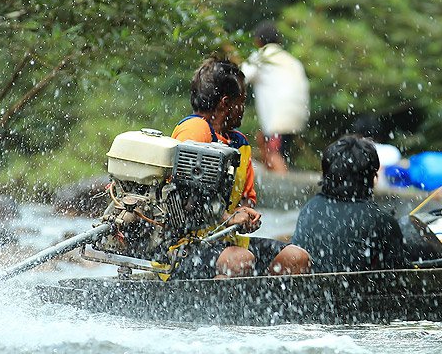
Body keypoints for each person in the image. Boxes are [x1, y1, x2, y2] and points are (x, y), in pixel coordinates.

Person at [171, 57, 310, 277]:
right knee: (239, 260)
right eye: (241, 101)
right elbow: (182, 203)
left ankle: (269, 309)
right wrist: (226, 217)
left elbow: (245, 201)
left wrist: (245, 214)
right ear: (225, 103)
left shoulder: (239, 144)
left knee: (296, 258)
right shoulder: (195, 131)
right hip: (184, 249)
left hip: (229, 245)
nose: (243, 109)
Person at [292, 135, 408, 273]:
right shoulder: (382, 221)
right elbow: (399, 276)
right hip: (355, 293)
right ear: (372, 177)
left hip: (311, 290)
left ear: (326, 174)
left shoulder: (311, 207)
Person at [240, 20, 310, 174]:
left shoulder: (262, 56)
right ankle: (273, 185)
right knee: (263, 141)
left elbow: (241, 78)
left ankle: (284, 192)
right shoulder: (291, 60)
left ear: (258, 41)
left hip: (279, 118)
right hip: (297, 115)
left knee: (274, 154)